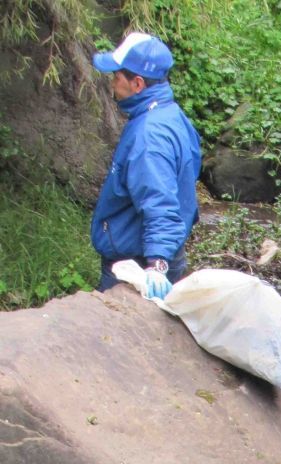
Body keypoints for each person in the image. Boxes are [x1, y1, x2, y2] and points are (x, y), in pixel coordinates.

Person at [91, 32, 202, 298]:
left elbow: (160, 202)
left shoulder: (149, 136)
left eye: (117, 76)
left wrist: (156, 265)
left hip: (137, 265)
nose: (113, 83)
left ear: (137, 83)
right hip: (167, 252)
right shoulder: (171, 114)